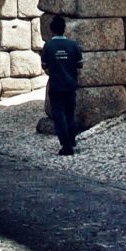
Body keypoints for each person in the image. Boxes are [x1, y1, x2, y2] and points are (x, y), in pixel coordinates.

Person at [40, 15, 84, 156]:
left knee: (59, 116)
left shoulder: (48, 46)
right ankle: (71, 139)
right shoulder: (73, 45)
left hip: (56, 86)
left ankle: (66, 146)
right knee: (70, 114)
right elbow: (80, 64)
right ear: (64, 29)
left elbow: (44, 66)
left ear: (51, 30)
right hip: (70, 85)